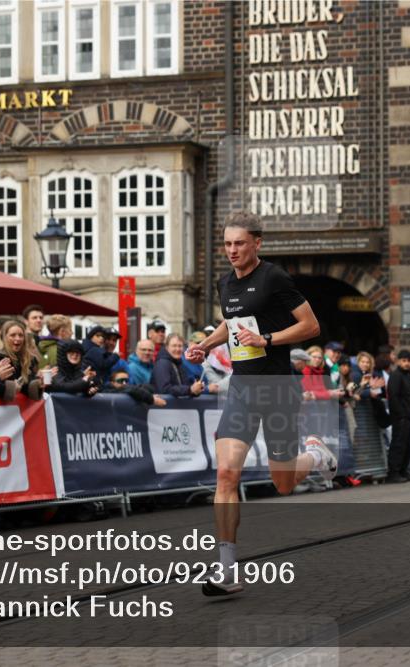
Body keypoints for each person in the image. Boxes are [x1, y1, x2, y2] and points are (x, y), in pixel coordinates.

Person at [184, 210, 336, 596]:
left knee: (283, 482)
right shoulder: (224, 283)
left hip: (279, 388)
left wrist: (266, 340)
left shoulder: (274, 277)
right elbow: (231, 322)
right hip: (242, 388)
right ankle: (227, 568)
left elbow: (311, 326)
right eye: (228, 243)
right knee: (226, 475)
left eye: (239, 243)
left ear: (257, 243)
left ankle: (316, 455)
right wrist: (205, 345)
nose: (232, 250)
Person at [0, 319, 48, 401]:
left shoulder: (27, 359)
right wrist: (9, 387)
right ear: (4, 338)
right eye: (13, 335)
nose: (17, 338)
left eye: (21, 335)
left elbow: (25, 387)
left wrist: (37, 383)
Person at [386, 349, 410, 483]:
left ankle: (403, 470)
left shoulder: (409, 376)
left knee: (407, 445)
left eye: (408, 361)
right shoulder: (396, 376)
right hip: (400, 416)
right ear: (398, 361)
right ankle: (393, 472)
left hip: (408, 415)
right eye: (404, 361)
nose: (406, 364)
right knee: (398, 444)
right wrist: (400, 414)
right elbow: (393, 396)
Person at [152, 333, 204, 397]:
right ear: (167, 347)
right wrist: (189, 389)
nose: (177, 349)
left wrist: (196, 388)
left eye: (180, 346)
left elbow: (185, 385)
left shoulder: (179, 363)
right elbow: (164, 389)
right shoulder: (162, 364)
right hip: (164, 406)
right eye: (174, 346)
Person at [101, 369, 167, 406]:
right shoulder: (107, 390)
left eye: (126, 380)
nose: (124, 383)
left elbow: (145, 387)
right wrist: (152, 399)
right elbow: (132, 390)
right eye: (120, 381)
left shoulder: (129, 388)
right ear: (113, 383)